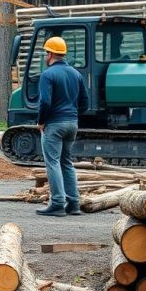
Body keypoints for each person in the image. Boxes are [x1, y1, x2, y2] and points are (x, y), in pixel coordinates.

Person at [35, 36, 89, 217]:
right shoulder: (76, 74)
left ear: (50, 54)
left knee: (53, 162)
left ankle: (57, 203)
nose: (45, 56)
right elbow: (85, 102)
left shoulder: (47, 75)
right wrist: (72, 115)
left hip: (54, 125)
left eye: (45, 53)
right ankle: (73, 203)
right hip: (72, 124)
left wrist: (41, 121)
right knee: (67, 162)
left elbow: (45, 102)